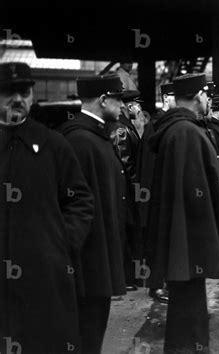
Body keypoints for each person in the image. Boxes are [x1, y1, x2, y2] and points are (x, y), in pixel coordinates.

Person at [0, 62, 94, 353]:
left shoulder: (52, 144)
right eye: (8, 92)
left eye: (24, 91)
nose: (18, 98)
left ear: (32, 95)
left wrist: (59, 244)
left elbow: (80, 199)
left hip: (45, 278)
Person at [145, 73, 219, 353]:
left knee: (188, 300)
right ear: (198, 96)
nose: (209, 100)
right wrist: (205, 242)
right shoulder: (186, 132)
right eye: (207, 95)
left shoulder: (182, 129)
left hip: (184, 237)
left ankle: (192, 346)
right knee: (187, 301)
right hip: (190, 237)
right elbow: (193, 193)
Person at [59, 74, 127, 354]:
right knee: (86, 330)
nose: (122, 105)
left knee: (93, 327)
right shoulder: (80, 140)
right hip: (87, 260)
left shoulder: (91, 136)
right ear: (103, 100)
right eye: (119, 99)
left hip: (98, 254)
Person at [138, 83, 176, 302]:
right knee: (157, 243)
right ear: (165, 98)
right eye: (174, 96)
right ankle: (156, 286)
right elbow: (150, 166)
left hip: (162, 194)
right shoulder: (157, 124)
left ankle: (163, 283)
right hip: (155, 195)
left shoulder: (166, 122)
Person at [107, 90, 142, 291]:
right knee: (127, 233)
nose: (139, 109)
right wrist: (138, 187)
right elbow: (126, 163)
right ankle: (126, 278)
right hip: (126, 192)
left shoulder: (124, 126)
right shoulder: (122, 129)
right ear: (129, 106)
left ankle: (128, 277)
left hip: (125, 191)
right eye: (137, 105)